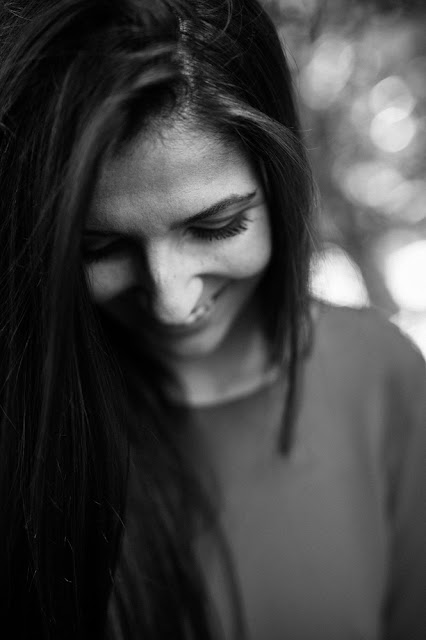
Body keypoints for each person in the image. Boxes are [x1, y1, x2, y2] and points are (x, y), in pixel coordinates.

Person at [0, 0, 425, 638]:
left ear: (279, 185)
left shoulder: (380, 373)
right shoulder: (24, 424)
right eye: (100, 248)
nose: (170, 301)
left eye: (217, 226)